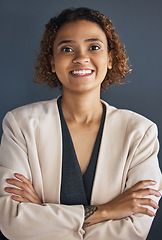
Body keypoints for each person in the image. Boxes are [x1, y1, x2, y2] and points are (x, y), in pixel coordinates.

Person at [0, 7, 161, 240]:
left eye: (94, 47)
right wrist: (108, 211)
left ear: (110, 59)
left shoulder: (141, 132)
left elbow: (135, 230)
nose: (81, 58)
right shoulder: (20, 125)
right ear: (52, 62)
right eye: (67, 49)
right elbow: (12, 222)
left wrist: (42, 214)